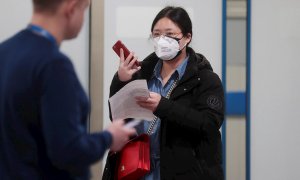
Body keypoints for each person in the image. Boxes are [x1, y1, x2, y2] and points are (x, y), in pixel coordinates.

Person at [0, 0, 136, 179]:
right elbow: (67, 150)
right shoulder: (54, 65)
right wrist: (109, 137)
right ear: (71, 8)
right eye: (84, 10)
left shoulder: (5, 51)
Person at [103, 6, 224, 180]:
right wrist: (121, 80)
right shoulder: (142, 73)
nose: (162, 40)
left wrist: (163, 106)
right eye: (157, 34)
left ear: (187, 37)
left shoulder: (206, 80)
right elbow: (117, 117)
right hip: (138, 170)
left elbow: (209, 125)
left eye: (169, 34)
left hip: (183, 172)